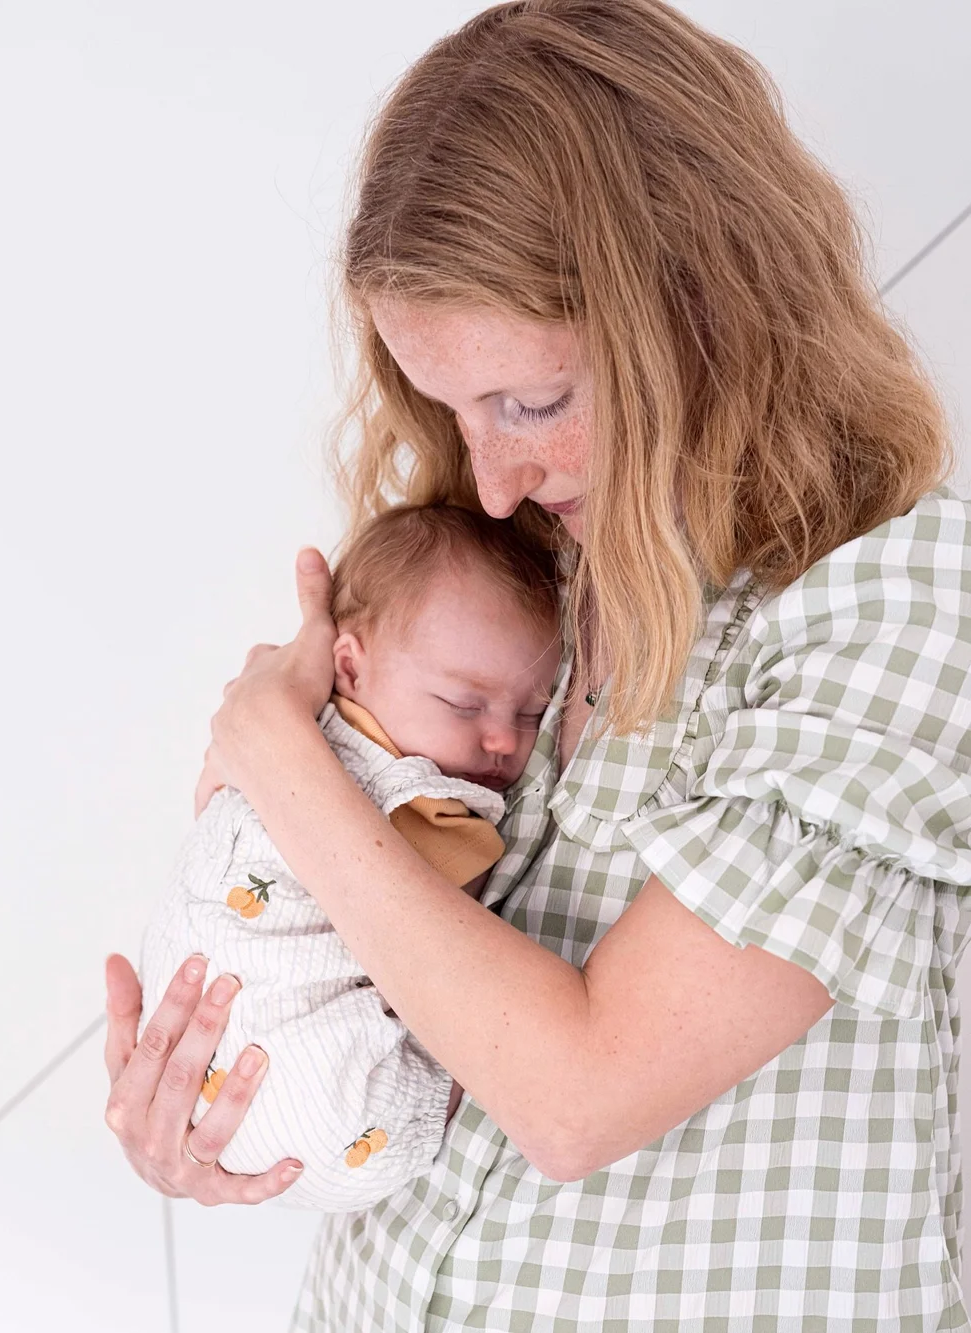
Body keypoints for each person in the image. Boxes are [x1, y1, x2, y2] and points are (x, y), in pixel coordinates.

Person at [103, 0, 971, 1327]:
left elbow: (576, 1095)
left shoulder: (899, 598)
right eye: (452, 408)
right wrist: (227, 1106)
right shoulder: (514, 579)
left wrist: (285, 756)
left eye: (534, 401)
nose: (492, 478)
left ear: (704, 304)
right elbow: (306, 917)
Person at [135, 503, 560, 1211]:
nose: (502, 740)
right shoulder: (421, 800)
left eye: (530, 712)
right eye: (465, 704)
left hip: (198, 1080)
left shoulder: (271, 721)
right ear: (349, 666)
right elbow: (441, 939)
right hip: (338, 1112)